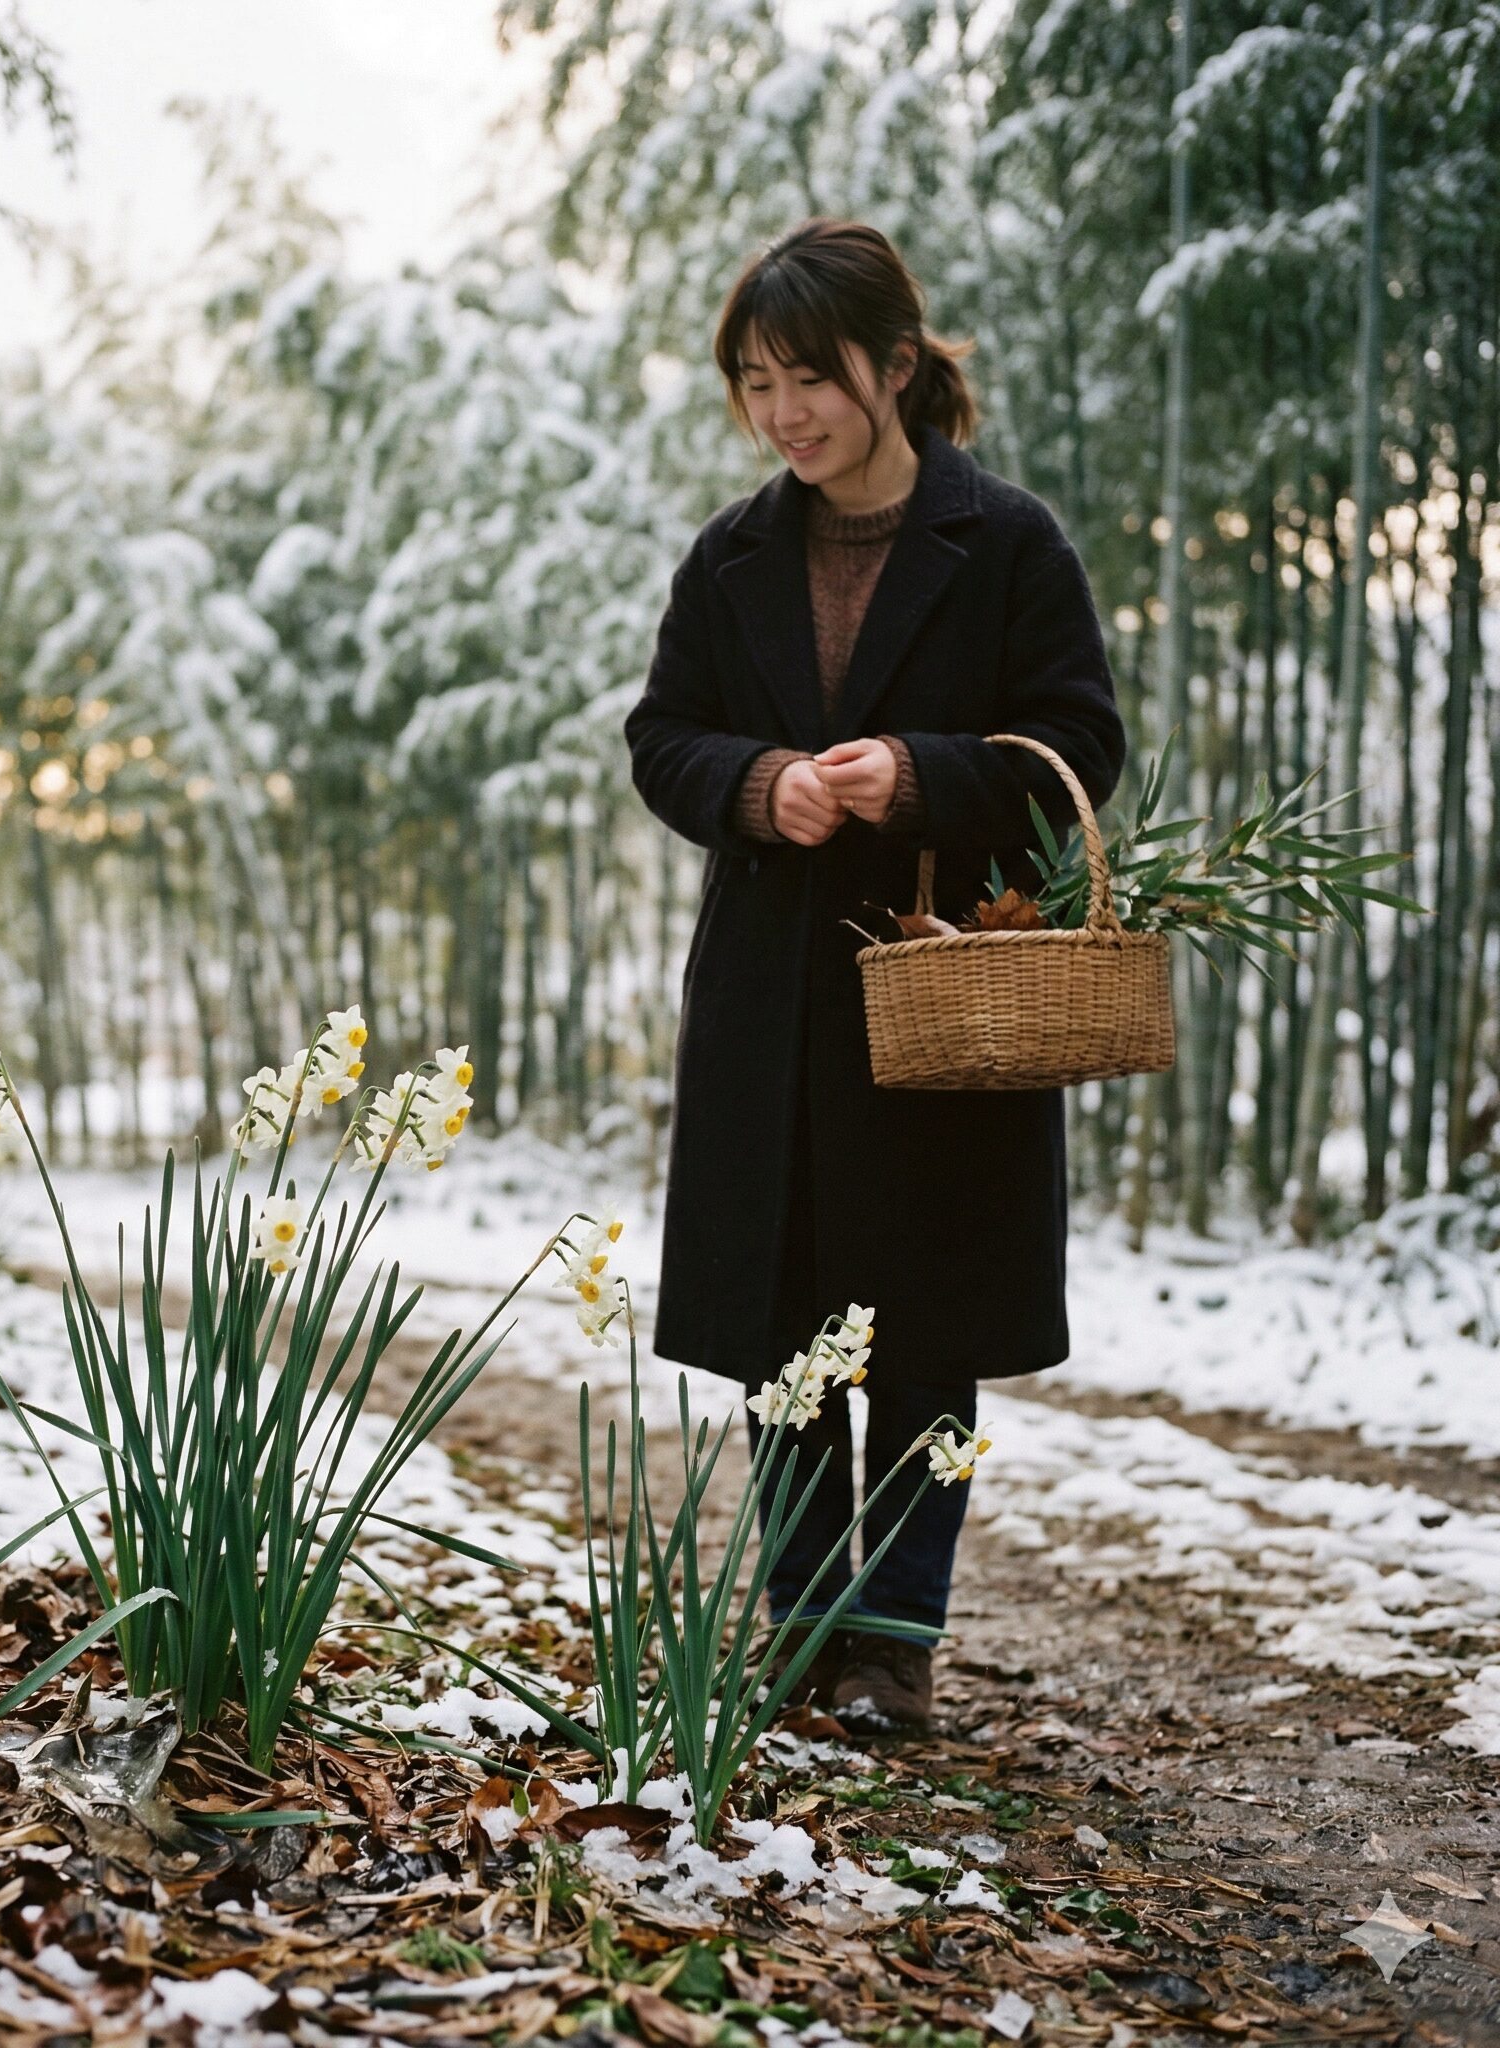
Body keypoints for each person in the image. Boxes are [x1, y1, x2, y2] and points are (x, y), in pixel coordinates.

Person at [623, 217, 1126, 1733]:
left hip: (944, 989)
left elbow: (1082, 749)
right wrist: (754, 781)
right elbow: (662, 738)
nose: (784, 413)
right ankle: (795, 1620)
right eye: (754, 382)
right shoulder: (730, 554)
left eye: (811, 378)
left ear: (897, 365)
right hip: (775, 988)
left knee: (926, 1328)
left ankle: (894, 1642)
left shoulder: (1010, 543)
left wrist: (921, 776)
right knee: (785, 1325)